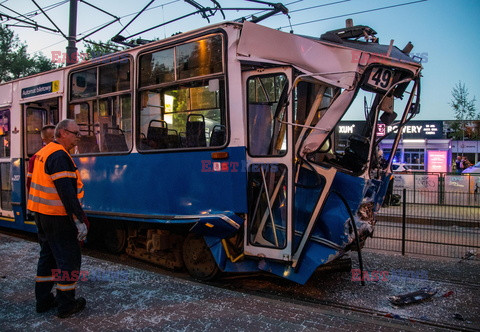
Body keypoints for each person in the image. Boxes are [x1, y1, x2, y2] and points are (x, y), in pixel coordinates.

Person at [28, 119, 89, 318]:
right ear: (62, 133)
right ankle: (66, 306)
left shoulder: (42, 153)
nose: (78, 138)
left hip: (42, 214)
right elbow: (66, 193)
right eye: (75, 133)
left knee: (48, 257)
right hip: (57, 216)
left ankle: (43, 301)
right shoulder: (59, 156)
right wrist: (79, 219)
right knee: (68, 260)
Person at [26, 125, 56, 193]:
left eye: (57, 136)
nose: (56, 140)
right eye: (53, 137)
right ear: (44, 140)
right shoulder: (35, 158)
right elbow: (30, 182)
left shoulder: (62, 154)